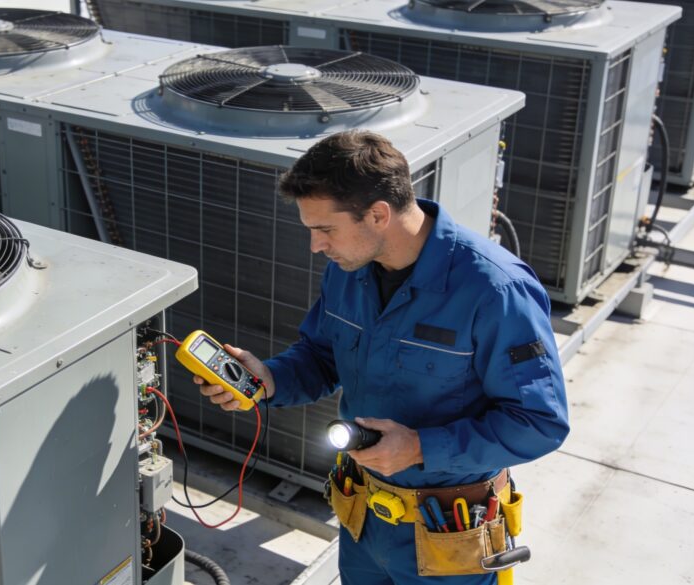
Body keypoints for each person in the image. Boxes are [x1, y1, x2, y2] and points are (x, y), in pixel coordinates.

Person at [194, 130, 569, 584]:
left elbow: (540, 423)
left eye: (325, 229)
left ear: (378, 214)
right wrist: (269, 379)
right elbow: (321, 355)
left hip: (449, 541)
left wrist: (418, 448)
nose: (316, 245)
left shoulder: (494, 290)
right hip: (365, 521)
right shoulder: (348, 272)